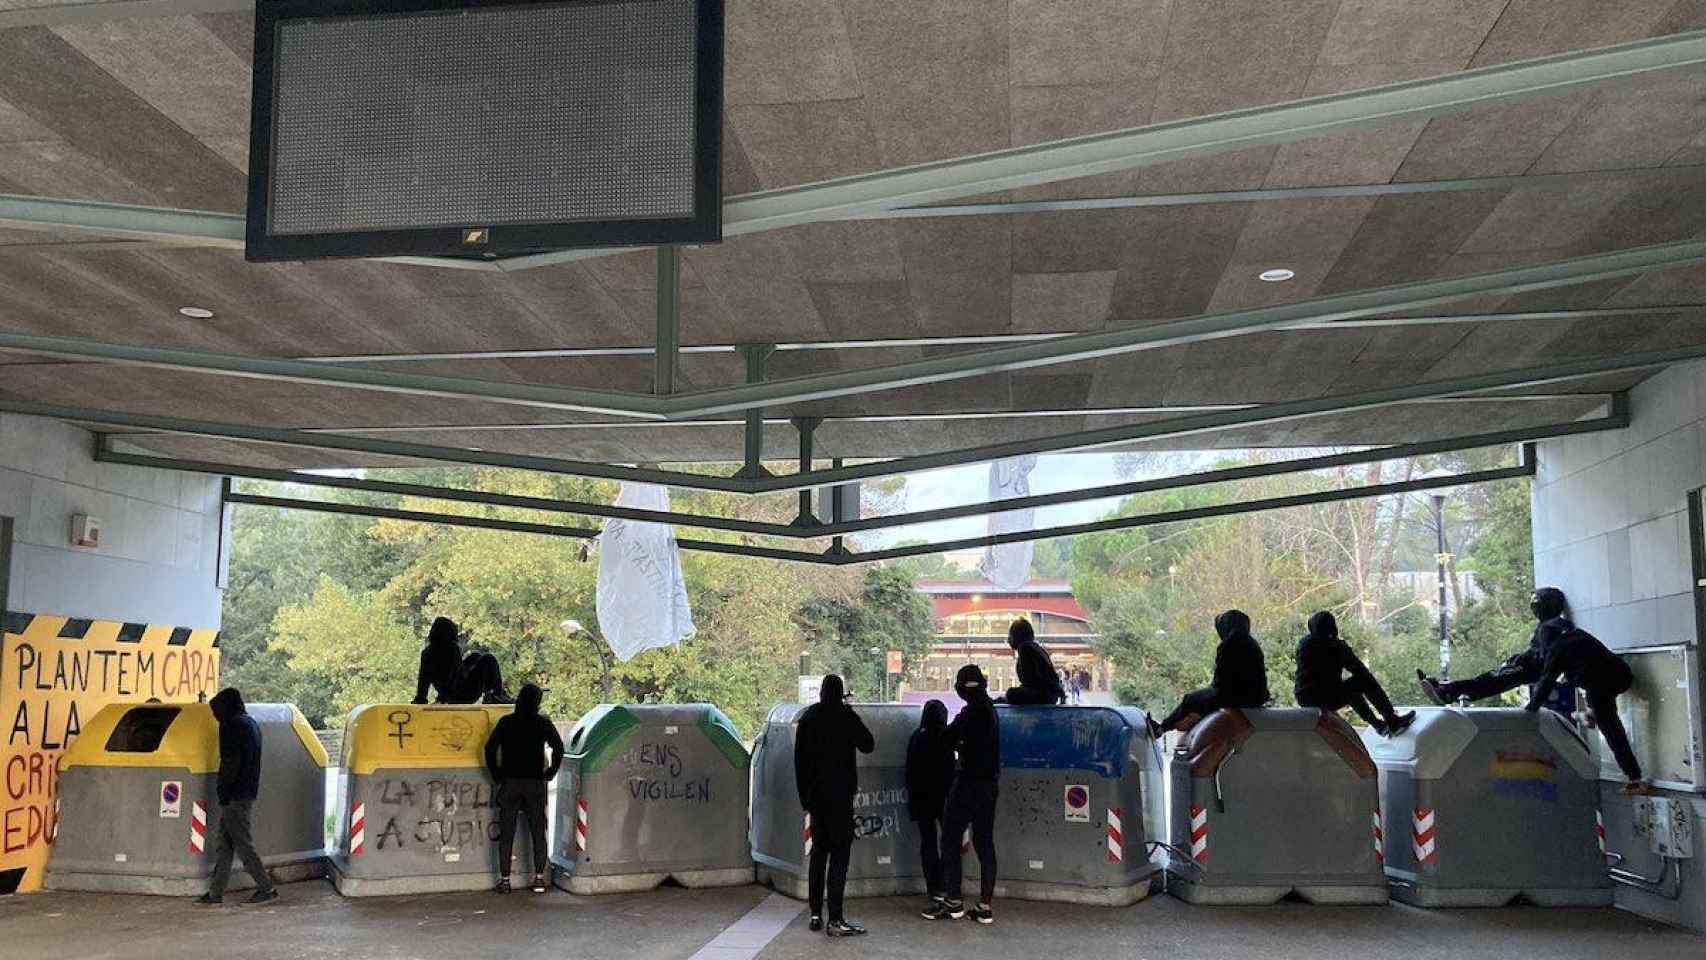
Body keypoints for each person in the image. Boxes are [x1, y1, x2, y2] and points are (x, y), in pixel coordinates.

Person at [1522, 598, 1650, 796]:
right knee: (1592, 696)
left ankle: (1635, 779)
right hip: (1621, 673)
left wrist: (1530, 709)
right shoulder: (1577, 634)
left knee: (1611, 729)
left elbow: (1546, 681)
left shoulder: (1556, 649)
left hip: (1600, 684)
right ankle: (1590, 715)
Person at [794, 674, 875, 937]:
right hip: (841, 798)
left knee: (819, 855)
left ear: (820, 693)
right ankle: (836, 918)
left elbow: (799, 762)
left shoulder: (808, 717)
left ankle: (815, 914)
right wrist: (849, 712)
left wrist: (805, 798)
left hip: (816, 799)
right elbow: (868, 744)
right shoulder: (845, 716)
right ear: (841, 694)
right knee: (840, 857)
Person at [925, 664, 1000, 925]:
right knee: (984, 843)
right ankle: (984, 906)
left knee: (950, 840)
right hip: (990, 786)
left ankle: (953, 902)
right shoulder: (990, 709)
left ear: (962, 688)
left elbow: (946, 737)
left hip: (967, 784)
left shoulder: (970, 712)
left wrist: (956, 742)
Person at [1416, 587, 1562, 706]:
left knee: (1488, 683)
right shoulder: (1547, 626)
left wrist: (1522, 660)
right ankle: (1445, 688)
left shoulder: (1550, 628)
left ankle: (1447, 692)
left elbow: (1545, 656)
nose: (1534, 609)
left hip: (1529, 669)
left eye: (1536, 605)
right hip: (1526, 666)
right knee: (1486, 680)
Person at [197, 688, 277, 905]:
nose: (215, 716)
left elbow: (230, 763)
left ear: (225, 708)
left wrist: (222, 792)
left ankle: (266, 888)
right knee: (225, 844)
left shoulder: (231, 726)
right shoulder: (251, 724)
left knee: (241, 844)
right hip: (246, 792)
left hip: (234, 796)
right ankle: (215, 893)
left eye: (216, 712)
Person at [484, 683, 564, 893]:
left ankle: (505, 881)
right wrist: (551, 772)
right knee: (538, 831)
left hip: (510, 783)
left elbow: (490, 748)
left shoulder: (506, 722)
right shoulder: (542, 723)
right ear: (537, 702)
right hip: (535, 784)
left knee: (507, 833)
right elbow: (559, 747)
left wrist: (497, 774)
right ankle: (538, 878)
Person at [1294, 611, 1415, 736]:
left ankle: (1379, 726)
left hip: (1304, 699)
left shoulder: (1304, 645)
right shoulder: (1334, 646)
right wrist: (1345, 649)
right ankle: (1391, 719)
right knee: (1363, 680)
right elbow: (1359, 670)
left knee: (1350, 690)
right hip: (1324, 698)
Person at [1152, 610, 1271, 736]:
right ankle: (1184, 720)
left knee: (1190, 699)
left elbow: (1220, 682)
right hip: (1257, 697)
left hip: (1236, 697)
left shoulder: (1229, 644)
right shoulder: (1252, 643)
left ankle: (1161, 729)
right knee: (1201, 699)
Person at [905, 699, 956, 908]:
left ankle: (932, 888)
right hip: (944, 798)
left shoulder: (917, 737)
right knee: (948, 842)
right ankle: (946, 885)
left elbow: (910, 772)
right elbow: (952, 770)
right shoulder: (946, 738)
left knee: (928, 842)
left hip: (922, 798)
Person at [413, 616, 512, 705]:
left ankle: (491, 695)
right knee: (488, 659)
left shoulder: (426, 653)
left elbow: (424, 680)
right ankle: (496, 695)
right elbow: (455, 677)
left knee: (475, 656)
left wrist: (421, 699)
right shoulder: (451, 648)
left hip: (450, 696)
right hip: (463, 695)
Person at [1002, 619, 1065, 705]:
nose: (1008, 639)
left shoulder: (1024, 648)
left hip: (1044, 695)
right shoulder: (1035, 647)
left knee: (1011, 693)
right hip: (1050, 694)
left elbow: (1029, 680)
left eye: (1010, 635)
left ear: (1017, 635)